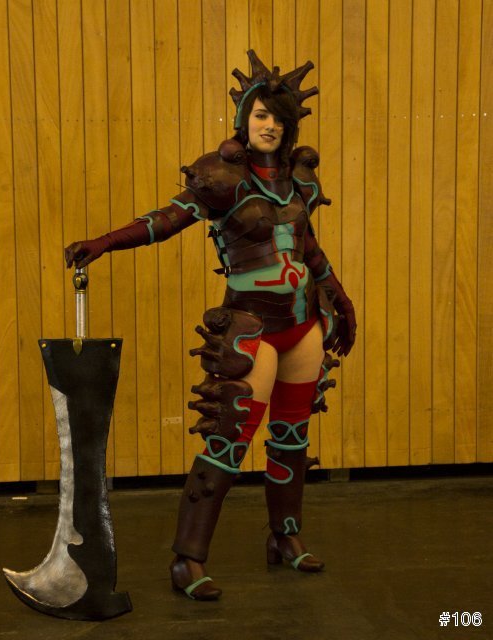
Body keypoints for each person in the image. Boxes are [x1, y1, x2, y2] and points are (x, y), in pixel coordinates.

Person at [65, 50, 356, 601]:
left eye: (279, 119)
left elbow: (310, 250)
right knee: (229, 439)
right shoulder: (223, 178)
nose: (270, 126)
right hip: (252, 326)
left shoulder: (297, 182)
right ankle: (188, 558)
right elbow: (166, 220)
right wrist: (104, 243)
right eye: (261, 115)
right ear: (245, 120)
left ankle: (285, 538)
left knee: (292, 438)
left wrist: (341, 301)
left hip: (304, 324)